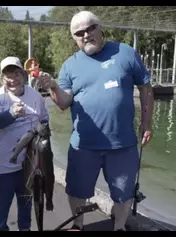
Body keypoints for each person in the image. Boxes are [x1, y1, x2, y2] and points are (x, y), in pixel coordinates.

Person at [38, 11, 154, 231]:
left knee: (124, 193)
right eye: (79, 33)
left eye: (90, 28)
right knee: (76, 190)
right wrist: (53, 86)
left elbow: (146, 88)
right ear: (74, 38)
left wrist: (147, 122)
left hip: (123, 144)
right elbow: (63, 103)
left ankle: (119, 226)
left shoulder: (125, 53)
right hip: (84, 145)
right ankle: (77, 225)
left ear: (100, 28)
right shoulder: (70, 65)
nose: (86, 35)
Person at [0, 56, 49, 231]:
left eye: (16, 74)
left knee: (26, 205)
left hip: (29, 165)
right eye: (8, 76)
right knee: (1, 208)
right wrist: (11, 114)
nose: (13, 79)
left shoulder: (36, 96)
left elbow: (44, 120)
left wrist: (43, 131)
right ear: (2, 78)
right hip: (3, 166)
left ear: (23, 74)